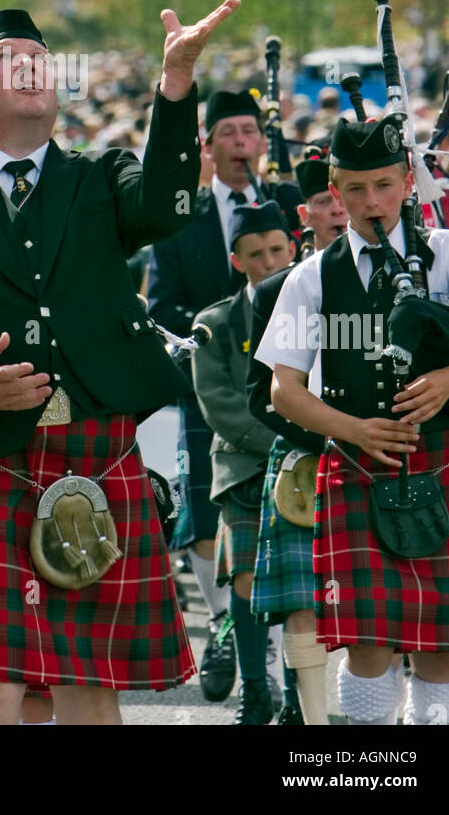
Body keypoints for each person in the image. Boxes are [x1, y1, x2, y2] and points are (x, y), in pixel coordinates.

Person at [0, 0, 239, 726]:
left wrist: (176, 82)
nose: (30, 67)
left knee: (89, 683)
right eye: (9, 59)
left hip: (95, 451)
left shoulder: (100, 178)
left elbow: (167, 205)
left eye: (40, 59)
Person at [255, 117, 449, 726]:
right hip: (355, 464)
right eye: (354, 188)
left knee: (438, 644)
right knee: (367, 643)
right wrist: (353, 429)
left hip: (446, 457)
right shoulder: (310, 278)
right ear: (334, 188)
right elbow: (283, 391)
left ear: (407, 183)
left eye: (382, 184)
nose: (370, 202)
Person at [147, 89, 299, 702]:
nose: (241, 143)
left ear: (261, 141)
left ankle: (274, 659)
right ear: (207, 144)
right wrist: (213, 343)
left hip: (292, 390)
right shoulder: (183, 217)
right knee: (212, 530)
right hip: (212, 387)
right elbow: (161, 309)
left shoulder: (287, 204)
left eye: (248, 132)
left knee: (289, 526)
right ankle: (225, 624)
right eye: (228, 133)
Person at [245, 149, 347, 726]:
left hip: (387, 449)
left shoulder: (409, 273)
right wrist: (324, 433)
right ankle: (314, 729)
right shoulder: (278, 290)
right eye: (329, 200)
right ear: (305, 213)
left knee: (388, 596)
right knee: (302, 602)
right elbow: (260, 392)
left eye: (348, 197)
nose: (340, 210)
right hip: (307, 457)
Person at [191, 201, 295, 724]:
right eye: (256, 253)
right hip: (245, 467)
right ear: (237, 261)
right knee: (248, 580)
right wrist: (286, 438)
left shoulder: (315, 308)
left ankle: (299, 696)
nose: (270, 260)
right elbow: (220, 404)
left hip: (307, 462)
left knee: (302, 588)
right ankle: (256, 689)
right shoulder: (214, 323)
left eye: (278, 249)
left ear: (293, 247)